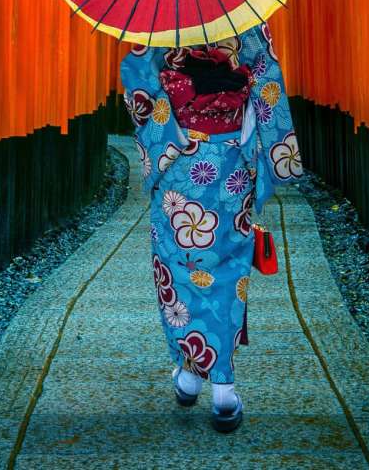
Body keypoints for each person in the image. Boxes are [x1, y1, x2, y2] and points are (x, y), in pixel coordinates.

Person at [120, 22, 303, 432]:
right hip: (230, 162)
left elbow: (137, 81)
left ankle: (201, 375)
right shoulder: (247, 19)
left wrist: (172, 136)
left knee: (180, 269)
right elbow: (266, 82)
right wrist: (274, 154)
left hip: (179, 162)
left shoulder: (156, 24)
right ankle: (218, 385)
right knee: (225, 270)